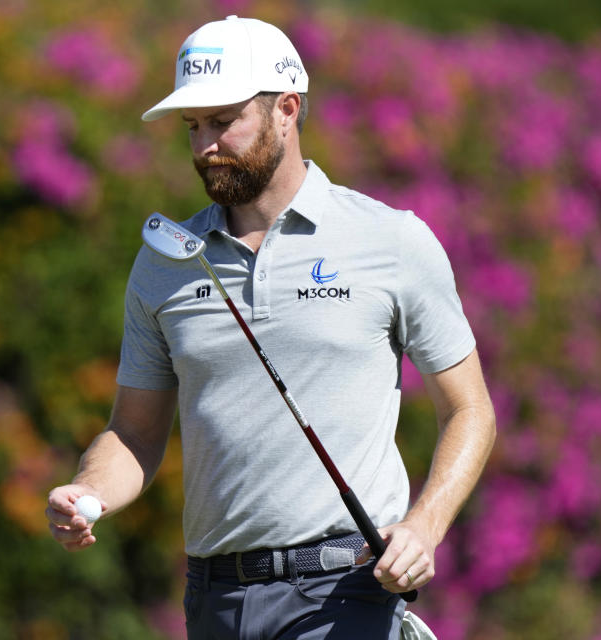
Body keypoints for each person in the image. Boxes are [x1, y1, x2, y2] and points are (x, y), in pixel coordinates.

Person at [45, 15, 496, 640]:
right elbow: (135, 433)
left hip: (343, 595)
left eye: (224, 120)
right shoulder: (164, 262)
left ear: (287, 108)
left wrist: (425, 524)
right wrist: (87, 492)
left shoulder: (392, 240)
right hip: (215, 598)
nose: (204, 145)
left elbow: (470, 409)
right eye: (193, 126)